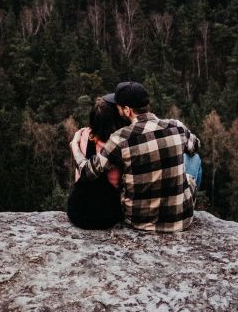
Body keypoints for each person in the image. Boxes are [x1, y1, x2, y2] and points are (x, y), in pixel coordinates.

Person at [69, 81, 201, 233]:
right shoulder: (176, 126)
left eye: (118, 107)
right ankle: (178, 203)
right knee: (194, 159)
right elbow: (195, 146)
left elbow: (87, 172)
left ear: (127, 110)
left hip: (138, 221)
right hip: (182, 220)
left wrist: (74, 146)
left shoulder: (120, 138)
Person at [66, 98, 128, 229]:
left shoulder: (83, 135)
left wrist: (75, 143)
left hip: (78, 213)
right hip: (108, 215)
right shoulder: (119, 146)